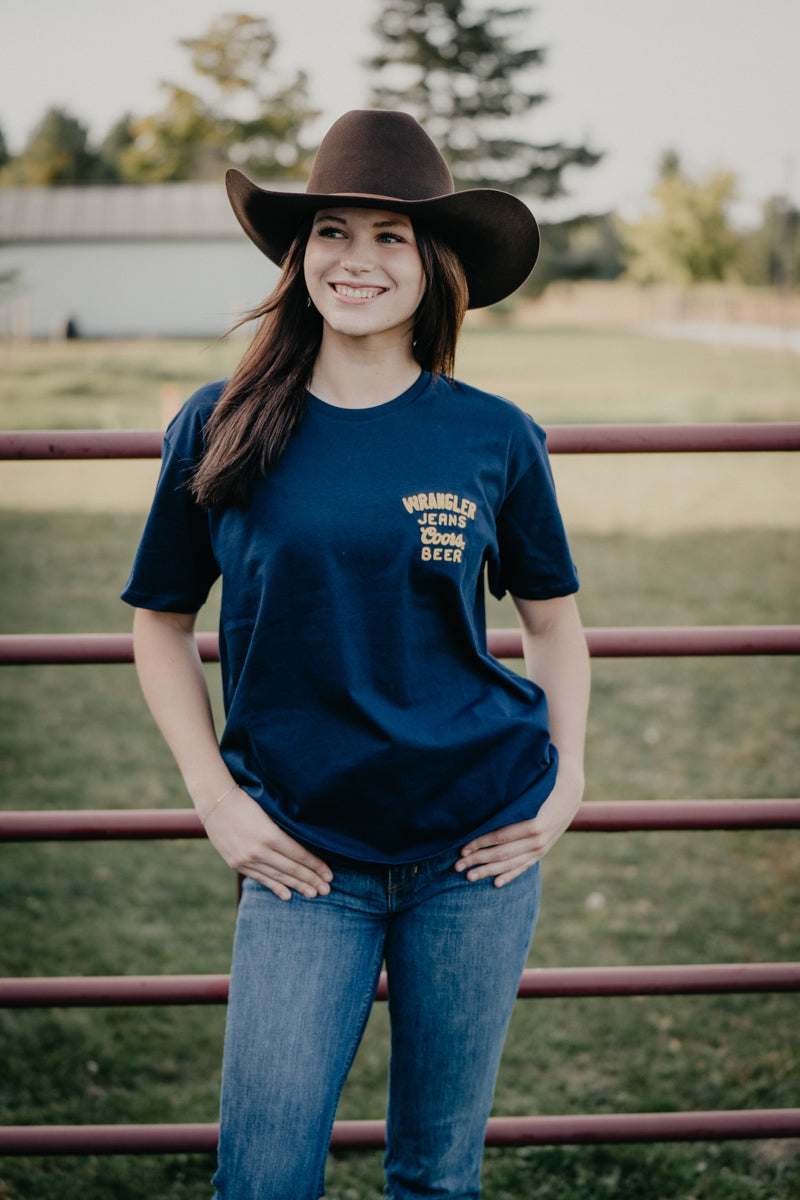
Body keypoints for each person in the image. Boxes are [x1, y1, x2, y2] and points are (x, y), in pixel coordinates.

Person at [122, 109, 590, 1200]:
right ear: (300, 256)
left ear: (434, 267)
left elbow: (553, 623)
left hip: (474, 849)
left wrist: (567, 781)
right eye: (332, 231)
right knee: (263, 1179)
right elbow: (159, 623)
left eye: (390, 236)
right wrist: (217, 803)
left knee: (435, 1177)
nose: (357, 259)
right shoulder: (221, 423)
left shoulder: (493, 434)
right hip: (301, 855)